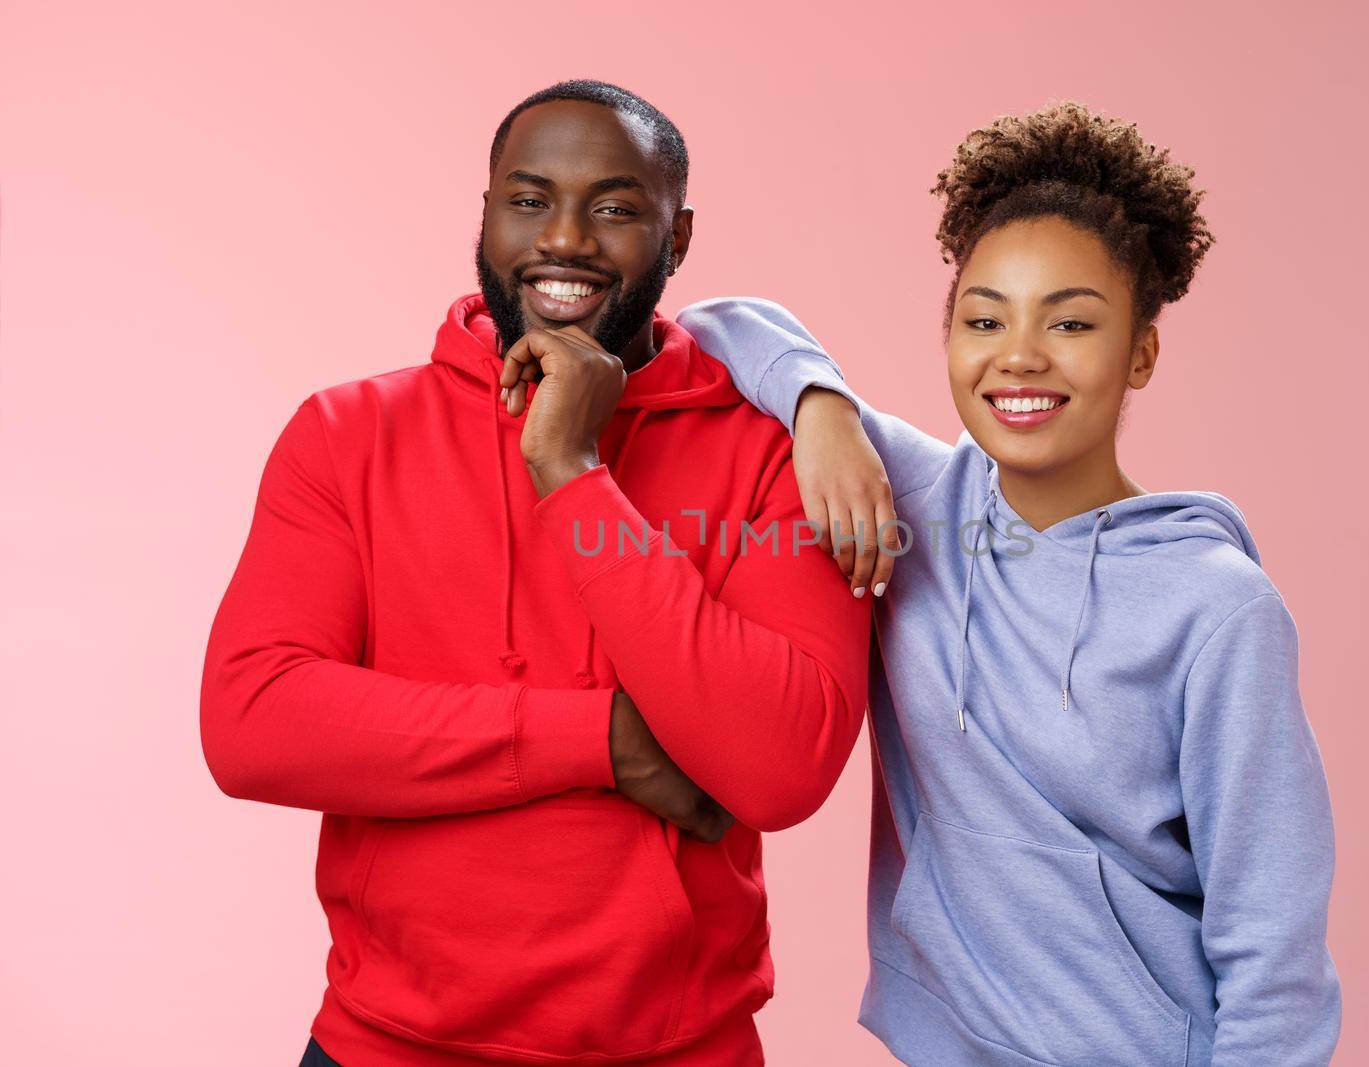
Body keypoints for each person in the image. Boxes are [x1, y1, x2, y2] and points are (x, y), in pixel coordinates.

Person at [199, 80, 870, 1067]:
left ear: (678, 238)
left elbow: (781, 761)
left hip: (678, 1049)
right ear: (482, 213)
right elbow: (253, 720)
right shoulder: (346, 435)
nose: (565, 238)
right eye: (527, 199)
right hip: (386, 1046)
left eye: (614, 207)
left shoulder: (773, 454)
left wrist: (571, 467)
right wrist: (598, 737)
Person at [679, 102, 1342, 1065]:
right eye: (985, 318)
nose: (1020, 355)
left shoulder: (1218, 608)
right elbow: (715, 324)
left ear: (1142, 353)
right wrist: (820, 406)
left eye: (1071, 321)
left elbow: (1273, 946)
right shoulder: (914, 498)